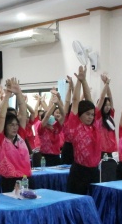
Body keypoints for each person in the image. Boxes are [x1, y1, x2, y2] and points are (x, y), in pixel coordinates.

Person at [66, 66, 102, 194]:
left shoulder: (95, 126)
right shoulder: (75, 125)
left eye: (92, 114)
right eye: (87, 114)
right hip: (79, 171)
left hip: (94, 171)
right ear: (80, 114)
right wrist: (79, 82)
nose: (90, 117)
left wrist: (85, 81)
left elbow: (89, 99)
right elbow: (75, 101)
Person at [0, 78, 31, 193]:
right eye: (11, 125)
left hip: (25, 179)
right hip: (8, 181)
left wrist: (18, 93)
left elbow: (23, 113)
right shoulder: (0, 139)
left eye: (16, 125)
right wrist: (7, 95)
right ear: (5, 126)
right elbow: (1, 116)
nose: (15, 127)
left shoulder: (20, 136)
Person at [38, 89, 64, 167]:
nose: (50, 117)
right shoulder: (41, 129)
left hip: (56, 156)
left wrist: (58, 102)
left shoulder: (56, 127)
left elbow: (63, 115)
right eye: (49, 116)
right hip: (45, 157)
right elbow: (47, 116)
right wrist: (54, 105)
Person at [96, 73, 117, 156]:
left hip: (113, 150)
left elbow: (110, 97)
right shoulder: (98, 116)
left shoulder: (110, 116)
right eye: (105, 105)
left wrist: (106, 84)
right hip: (101, 151)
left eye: (109, 105)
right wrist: (106, 83)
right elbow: (102, 98)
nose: (108, 107)